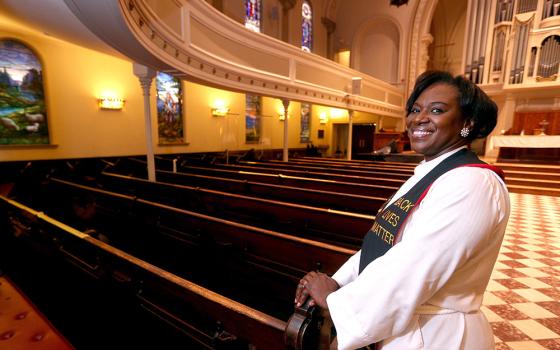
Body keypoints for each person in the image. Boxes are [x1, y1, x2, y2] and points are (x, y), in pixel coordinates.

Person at [294, 70, 510, 350]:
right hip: (405, 324)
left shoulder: (473, 182)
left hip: (439, 335)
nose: (419, 118)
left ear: (466, 123)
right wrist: (337, 282)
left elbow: (415, 267)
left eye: (436, 110)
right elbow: (385, 242)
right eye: (415, 109)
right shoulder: (430, 172)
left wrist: (335, 302)